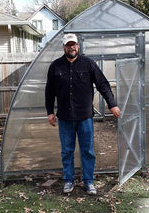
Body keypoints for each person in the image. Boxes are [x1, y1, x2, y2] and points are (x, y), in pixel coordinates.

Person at [45, 33, 120, 195]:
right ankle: (69, 180)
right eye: (68, 45)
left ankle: (88, 181)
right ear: (64, 47)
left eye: (74, 44)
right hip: (64, 117)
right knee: (67, 151)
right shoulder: (55, 66)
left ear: (78, 46)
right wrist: (50, 112)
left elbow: (103, 85)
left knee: (87, 151)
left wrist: (112, 105)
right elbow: (49, 91)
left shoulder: (89, 64)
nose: (71, 47)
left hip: (85, 116)